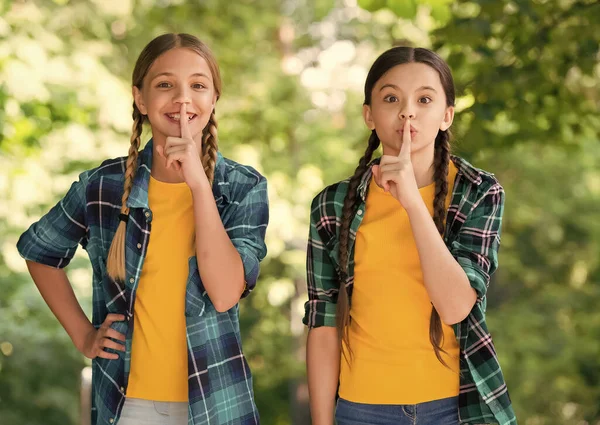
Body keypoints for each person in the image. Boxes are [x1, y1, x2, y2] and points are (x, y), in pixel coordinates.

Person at [17, 33, 268, 425]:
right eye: (165, 85)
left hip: (218, 403)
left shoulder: (243, 187)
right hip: (127, 405)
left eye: (198, 86)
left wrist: (199, 186)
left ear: (213, 99)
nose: (183, 98)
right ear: (140, 98)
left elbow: (223, 294)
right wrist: (84, 336)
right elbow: (39, 252)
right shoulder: (103, 186)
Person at [303, 46, 517, 425]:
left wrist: (412, 203)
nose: (407, 111)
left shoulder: (478, 191)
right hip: (360, 409)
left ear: (447, 115)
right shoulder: (333, 205)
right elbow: (323, 323)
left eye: (424, 99)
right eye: (390, 98)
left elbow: (455, 306)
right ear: (369, 114)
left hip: (454, 408)